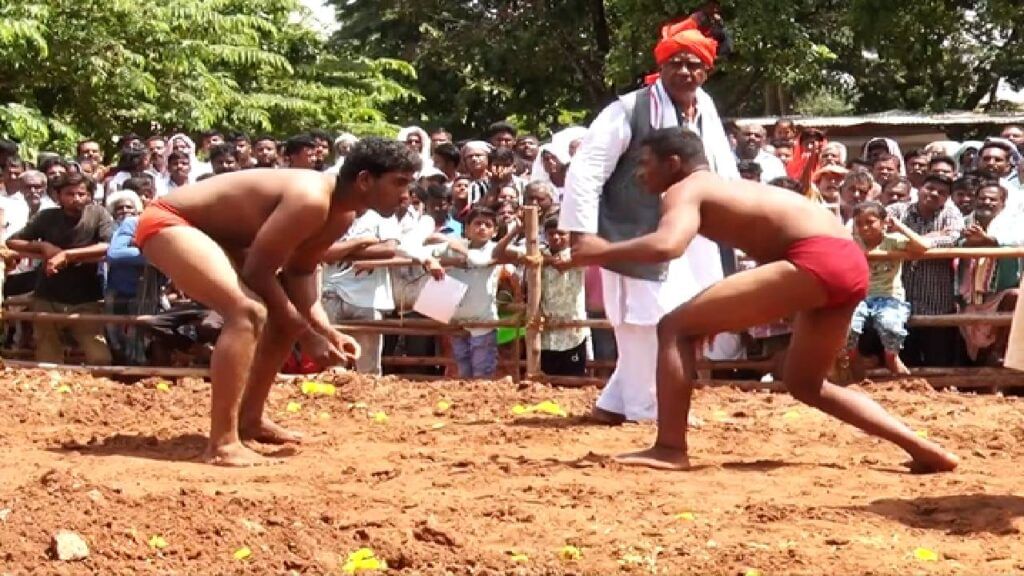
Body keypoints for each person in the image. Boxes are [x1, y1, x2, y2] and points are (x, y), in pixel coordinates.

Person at [570, 127, 958, 473]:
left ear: (673, 163)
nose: (640, 173)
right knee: (805, 384)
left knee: (673, 326)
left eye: (645, 163)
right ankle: (923, 448)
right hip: (845, 263)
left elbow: (669, 245)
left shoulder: (686, 188)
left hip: (816, 261)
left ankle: (670, 447)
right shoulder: (733, 187)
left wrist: (599, 251)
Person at [132, 137, 421, 466]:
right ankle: (222, 444)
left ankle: (250, 420)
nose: (405, 194)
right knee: (246, 311)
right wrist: (307, 336)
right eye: (399, 182)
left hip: (217, 236)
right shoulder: (312, 199)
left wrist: (327, 331)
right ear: (365, 180)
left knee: (283, 321)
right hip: (170, 221)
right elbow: (258, 271)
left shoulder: (342, 214)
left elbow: (300, 273)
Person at [560, 14, 740, 424]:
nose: (684, 70)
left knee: (679, 316)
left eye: (693, 63)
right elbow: (586, 170)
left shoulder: (706, 108)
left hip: (693, 233)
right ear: (660, 67)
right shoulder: (627, 109)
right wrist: (583, 235)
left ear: (705, 71)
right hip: (634, 231)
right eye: (675, 62)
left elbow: (722, 168)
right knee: (645, 321)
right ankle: (648, 411)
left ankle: (614, 404)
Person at [7, 172, 114, 365]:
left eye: (81, 194)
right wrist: (43, 247)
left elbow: (109, 245)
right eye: (70, 194)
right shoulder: (47, 217)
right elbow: (13, 241)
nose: (76, 199)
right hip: (48, 295)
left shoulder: (98, 214)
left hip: (86, 297)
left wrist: (67, 255)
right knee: (48, 357)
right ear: (58, 196)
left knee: (100, 357)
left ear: (89, 195)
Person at [846, 202, 929, 377]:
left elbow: (923, 247)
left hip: (889, 296)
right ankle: (853, 359)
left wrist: (899, 226)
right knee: (848, 327)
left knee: (890, 325)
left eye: (870, 222)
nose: (864, 227)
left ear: (883, 222)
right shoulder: (851, 243)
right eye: (859, 223)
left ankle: (891, 357)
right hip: (860, 296)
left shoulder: (892, 241)